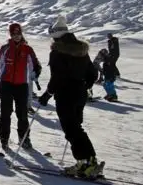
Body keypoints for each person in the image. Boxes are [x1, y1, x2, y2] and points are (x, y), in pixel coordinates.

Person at [38, 16, 104, 178]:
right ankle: (86, 161)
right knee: (76, 127)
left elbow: (57, 77)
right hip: (80, 93)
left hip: (65, 94)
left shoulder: (57, 52)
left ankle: (87, 163)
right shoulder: (81, 50)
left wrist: (47, 94)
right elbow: (93, 73)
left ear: (56, 35)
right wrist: (84, 86)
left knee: (71, 129)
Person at [0, 23, 41, 149]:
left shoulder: (27, 49)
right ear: (10, 35)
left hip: (22, 85)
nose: (16, 36)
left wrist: (37, 70)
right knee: (6, 112)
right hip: (6, 84)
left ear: (21, 34)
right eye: (14, 34)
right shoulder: (5, 48)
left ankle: (24, 138)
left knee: (22, 113)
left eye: (18, 34)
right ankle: (4, 138)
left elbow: (34, 64)